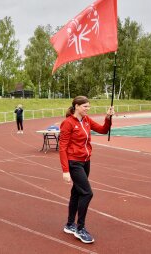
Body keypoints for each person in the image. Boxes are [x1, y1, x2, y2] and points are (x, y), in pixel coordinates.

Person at [59, 96, 114, 244]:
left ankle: (70, 224)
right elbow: (62, 147)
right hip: (74, 162)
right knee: (87, 193)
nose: (87, 109)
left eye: (88, 107)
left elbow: (103, 130)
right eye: (85, 107)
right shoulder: (68, 123)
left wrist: (108, 117)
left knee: (77, 192)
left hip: (85, 161)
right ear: (76, 106)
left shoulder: (87, 120)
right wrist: (65, 170)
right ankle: (80, 228)